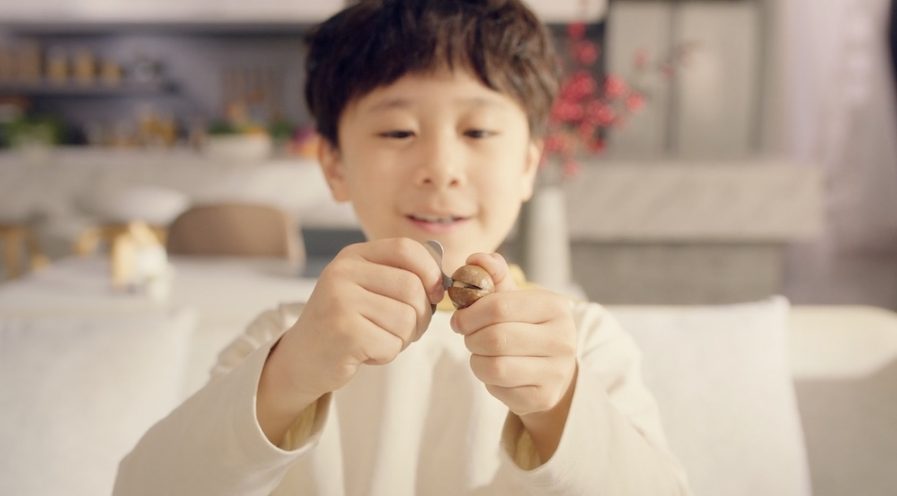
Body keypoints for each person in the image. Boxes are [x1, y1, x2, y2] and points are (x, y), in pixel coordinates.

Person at [114, 0, 691, 494]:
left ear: (527, 165)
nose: (440, 169)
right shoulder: (283, 339)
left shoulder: (582, 343)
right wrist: (291, 373)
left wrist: (560, 406)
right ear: (335, 165)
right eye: (397, 132)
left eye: (478, 132)